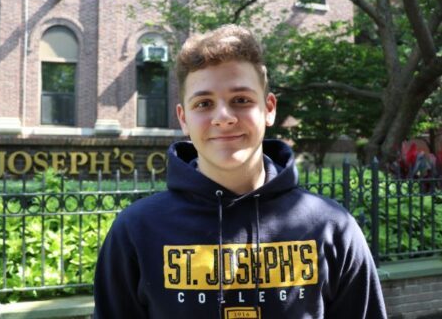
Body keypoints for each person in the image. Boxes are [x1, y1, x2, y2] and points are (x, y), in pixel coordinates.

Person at [93, 24, 387, 319]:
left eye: (241, 100)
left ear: (269, 108)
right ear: (183, 118)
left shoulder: (332, 227)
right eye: (204, 103)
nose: (223, 117)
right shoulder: (135, 231)